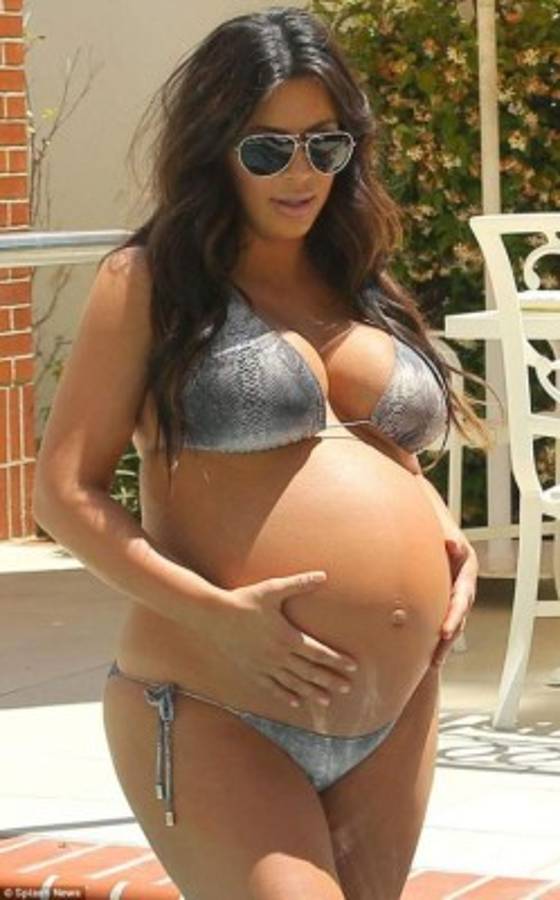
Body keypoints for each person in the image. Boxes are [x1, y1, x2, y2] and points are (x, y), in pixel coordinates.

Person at [33, 6, 491, 899]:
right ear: (216, 147)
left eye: (325, 146)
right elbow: (63, 493)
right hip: (218, 703)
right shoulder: (152, 283)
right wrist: (216, 615)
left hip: (392, 711)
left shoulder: (356, 276)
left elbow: (375, 448)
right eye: (268, 149)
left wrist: (443, 531)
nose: (301, 173)